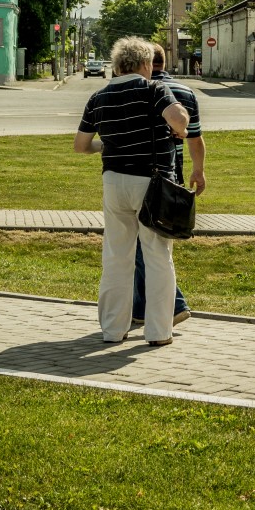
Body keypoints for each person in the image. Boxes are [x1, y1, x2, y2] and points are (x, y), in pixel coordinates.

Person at [73, 36, 190, 346]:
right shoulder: (152, 89)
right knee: (157, 255)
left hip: (114, 182)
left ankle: (113, 330)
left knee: (116, 256)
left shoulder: (97, 97)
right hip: (150, 184)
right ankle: (159, 331)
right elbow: (179, 120)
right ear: (144, 64)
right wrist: (181, 127)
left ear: (116, 65)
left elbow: (80, 146)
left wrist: (106, 146)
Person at [130, 45, 205, 327]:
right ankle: (139, 307)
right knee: (153, 236)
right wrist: (199, 170)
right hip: (174, 174)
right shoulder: (186, 92)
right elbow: (194, 138)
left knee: (148, 241)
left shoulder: (143, 90)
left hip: (144, 173)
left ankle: (175, 304)